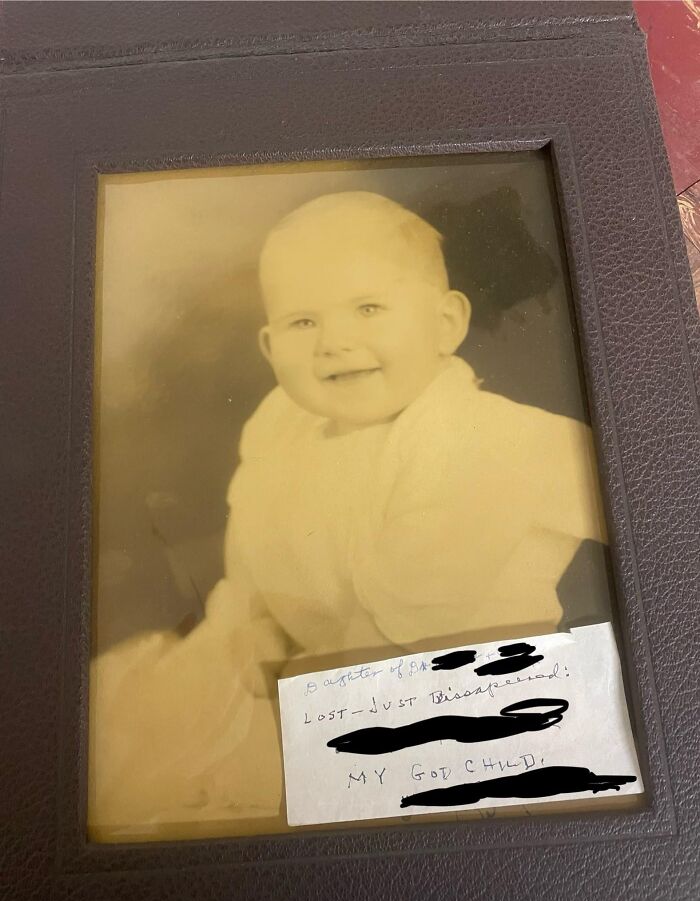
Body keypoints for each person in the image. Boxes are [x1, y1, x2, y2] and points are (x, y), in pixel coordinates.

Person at [89, 191, 610, 839]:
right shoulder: (282, 426)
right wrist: (254, 629)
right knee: (133, 738)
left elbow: (640, 493)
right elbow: (254, 563)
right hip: (307, 675)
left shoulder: (487, 438)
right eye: (303, 321)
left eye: (368, 308)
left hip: (458, 706)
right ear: (269, 345)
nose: (335, 342)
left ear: (445, 323)